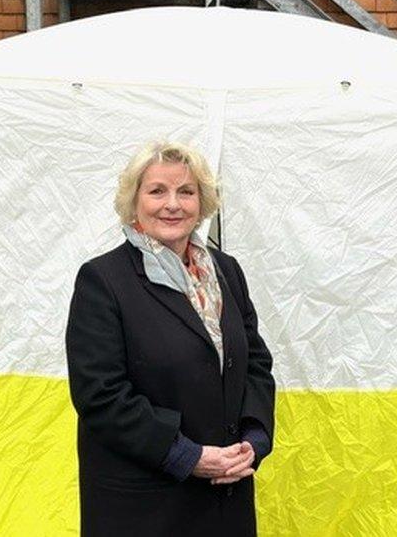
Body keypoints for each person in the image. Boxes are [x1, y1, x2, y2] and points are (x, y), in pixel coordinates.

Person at [65, 141, 276, 537]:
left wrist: (254, 438)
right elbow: (100, 394)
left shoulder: (226, 271)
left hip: (224, 496)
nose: (172, 204)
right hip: (147, 505)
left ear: (203, 202)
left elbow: (256, 363)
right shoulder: (103, 281)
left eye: (186, 191)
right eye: (157, 190)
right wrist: (187, 455)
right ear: (134, 202)